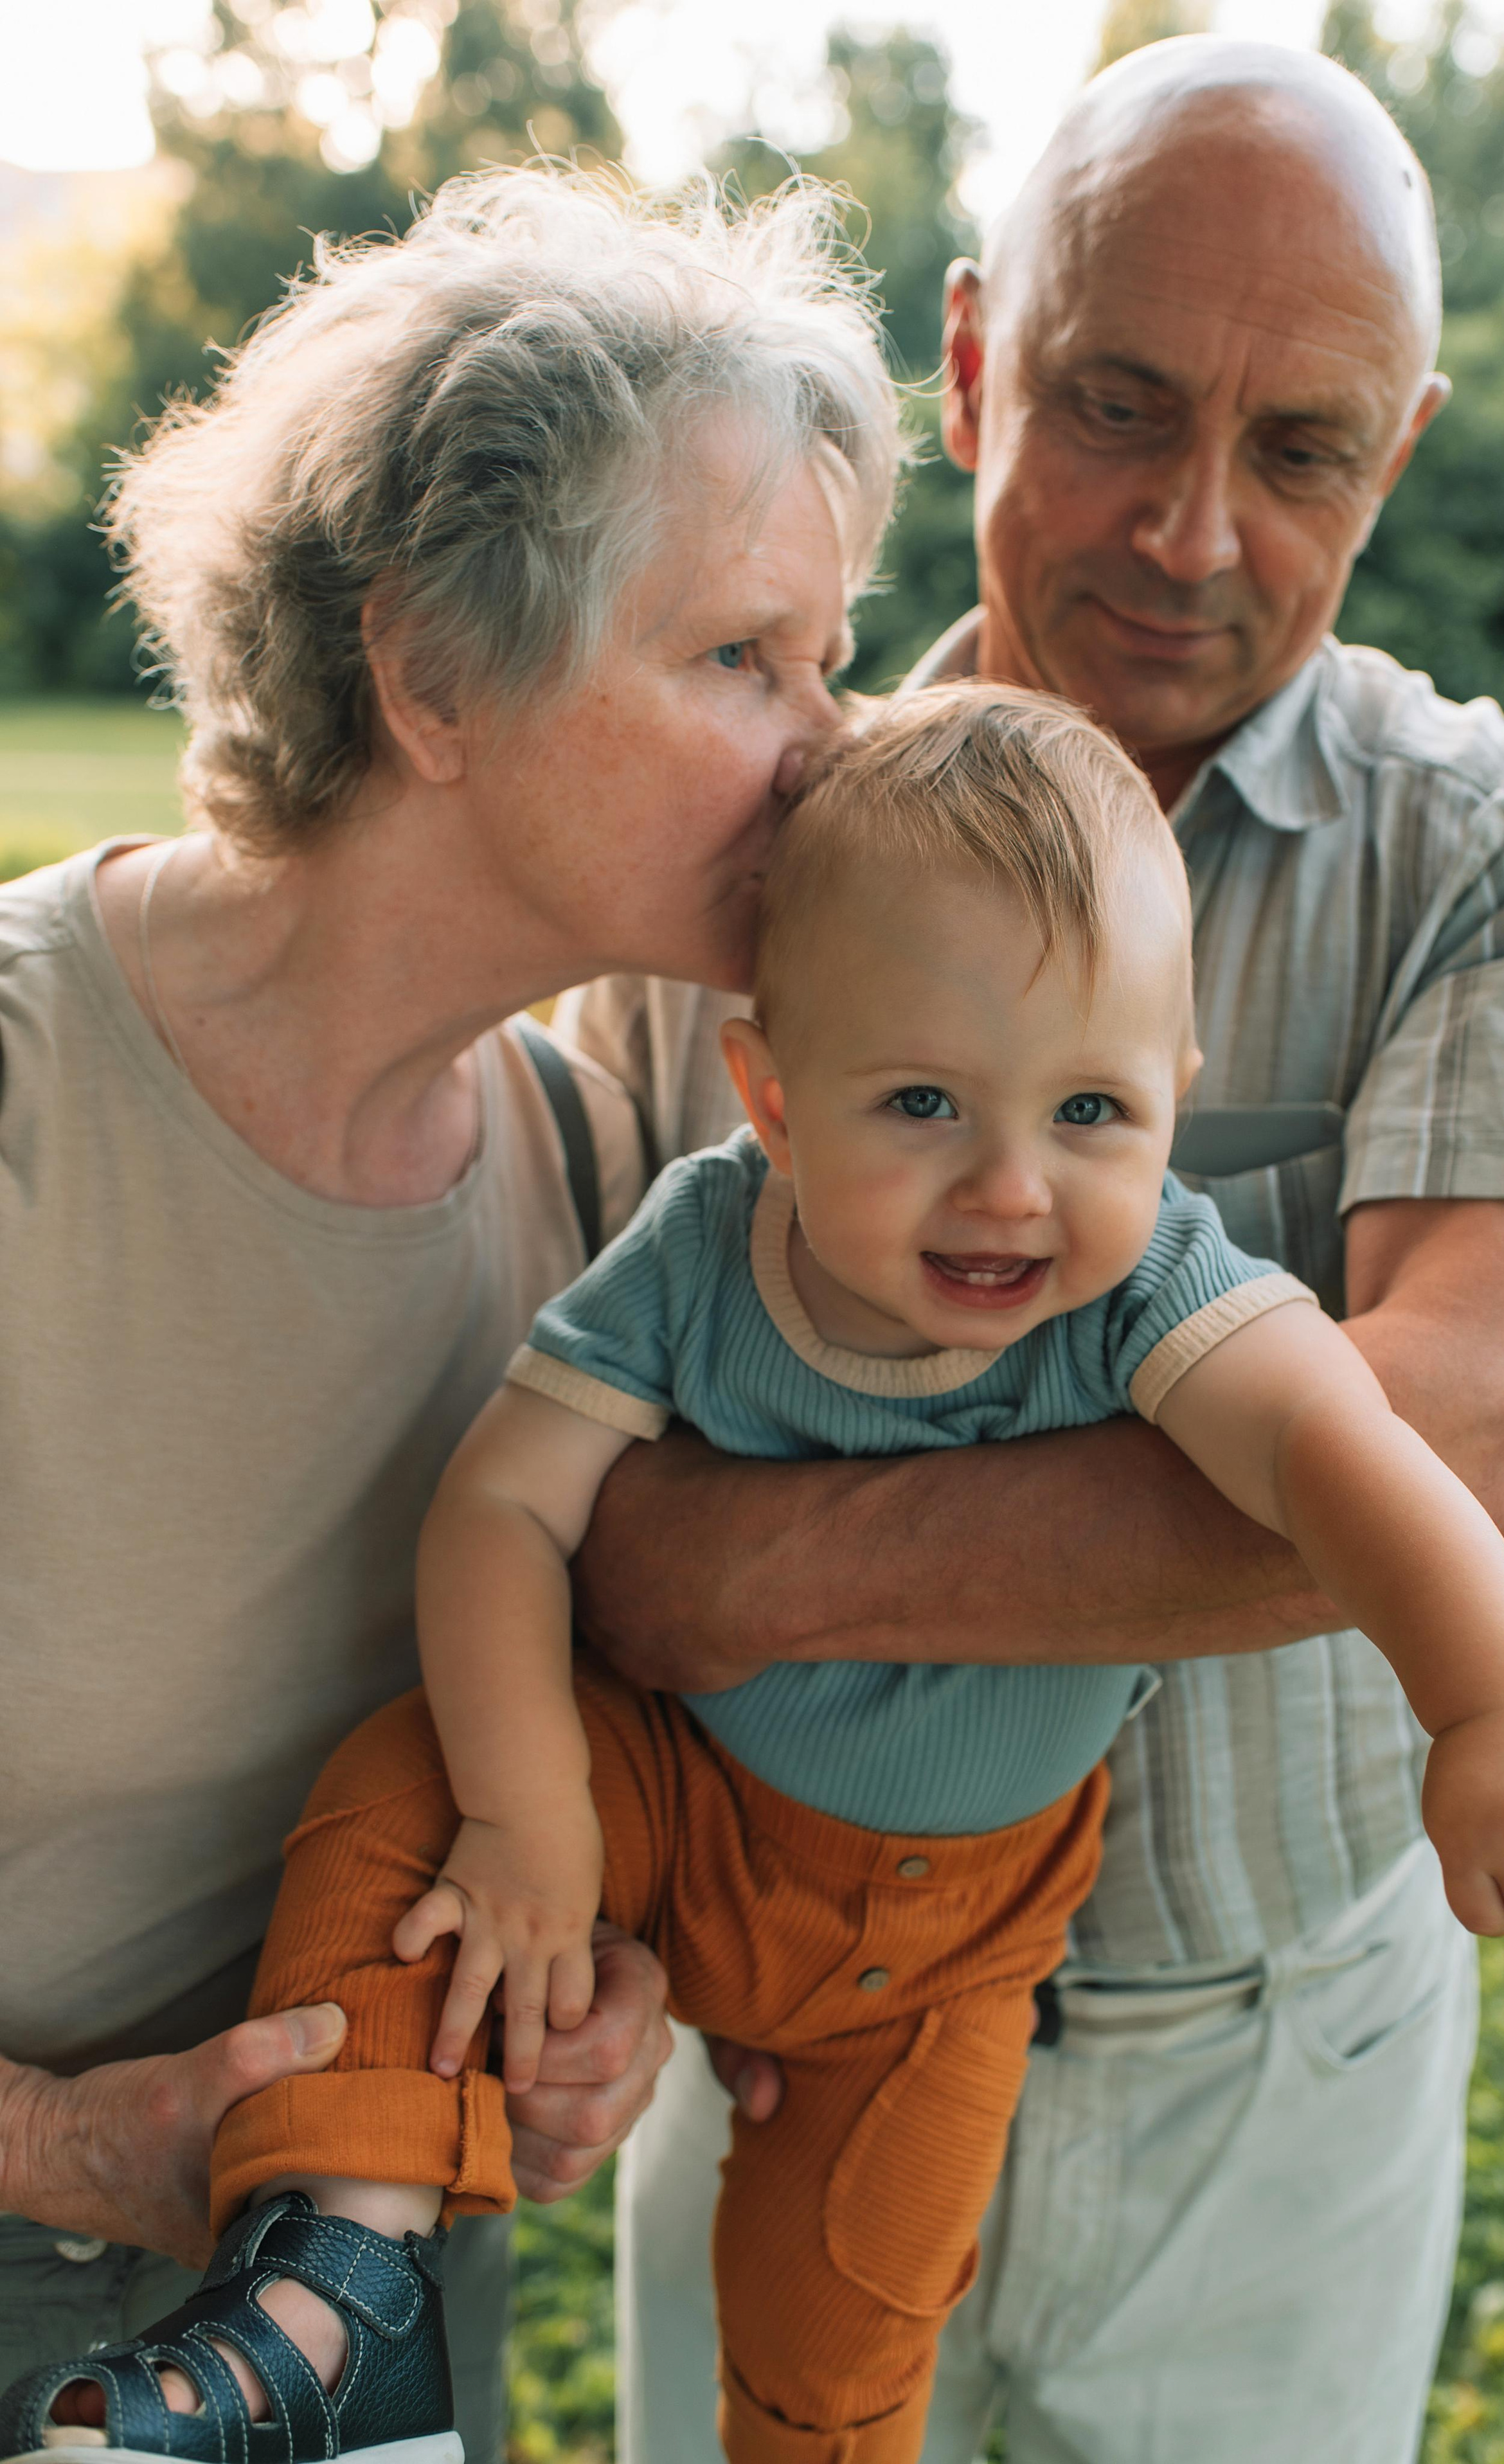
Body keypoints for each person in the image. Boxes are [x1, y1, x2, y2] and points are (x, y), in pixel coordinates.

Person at [12, 683, 1504, 2464]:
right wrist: (535, 1810)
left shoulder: (1158, 1277)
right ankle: (334, 2301)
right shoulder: (709, 1241)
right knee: (415, 1801)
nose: (1011, 1187)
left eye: (1092, 1105)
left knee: (844, 2323)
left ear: (1175, 1095)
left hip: (945, 1948)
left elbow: (1342, 1455)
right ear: (774, 1098)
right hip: (681, 1801)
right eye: (924, 1101)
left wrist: (1492, 1699)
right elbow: (503, 1509)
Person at [562, 40, 1504, 2464]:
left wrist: (746, 1569)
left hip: (1264, 2074)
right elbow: (537, 1429)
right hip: (770, 2018)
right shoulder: (724, 845)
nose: (1189, 532)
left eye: (1302, 452)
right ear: (970, 364)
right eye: (1117, 404)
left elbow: (1487, 1432)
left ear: (1406, 451)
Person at [0, 162, 905, 2464]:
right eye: (737, 657)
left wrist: (593, 1994)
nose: (833, 742)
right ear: (428, 674)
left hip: (376, 2261)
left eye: (831, 654)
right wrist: (64, 2141)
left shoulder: (599, 1167)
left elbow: (564, 1763)